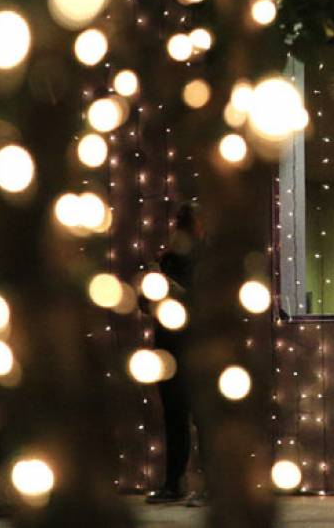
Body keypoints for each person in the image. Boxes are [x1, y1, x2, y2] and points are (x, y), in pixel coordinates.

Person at [146, 202, 206, 506]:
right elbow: (147, 305)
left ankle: (209, 486)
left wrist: (172, 289)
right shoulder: (168, 258)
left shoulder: (207, 258)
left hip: (195, 346)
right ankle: (174, 483)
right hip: (169, 346)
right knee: (175, 417)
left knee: (203, 419)